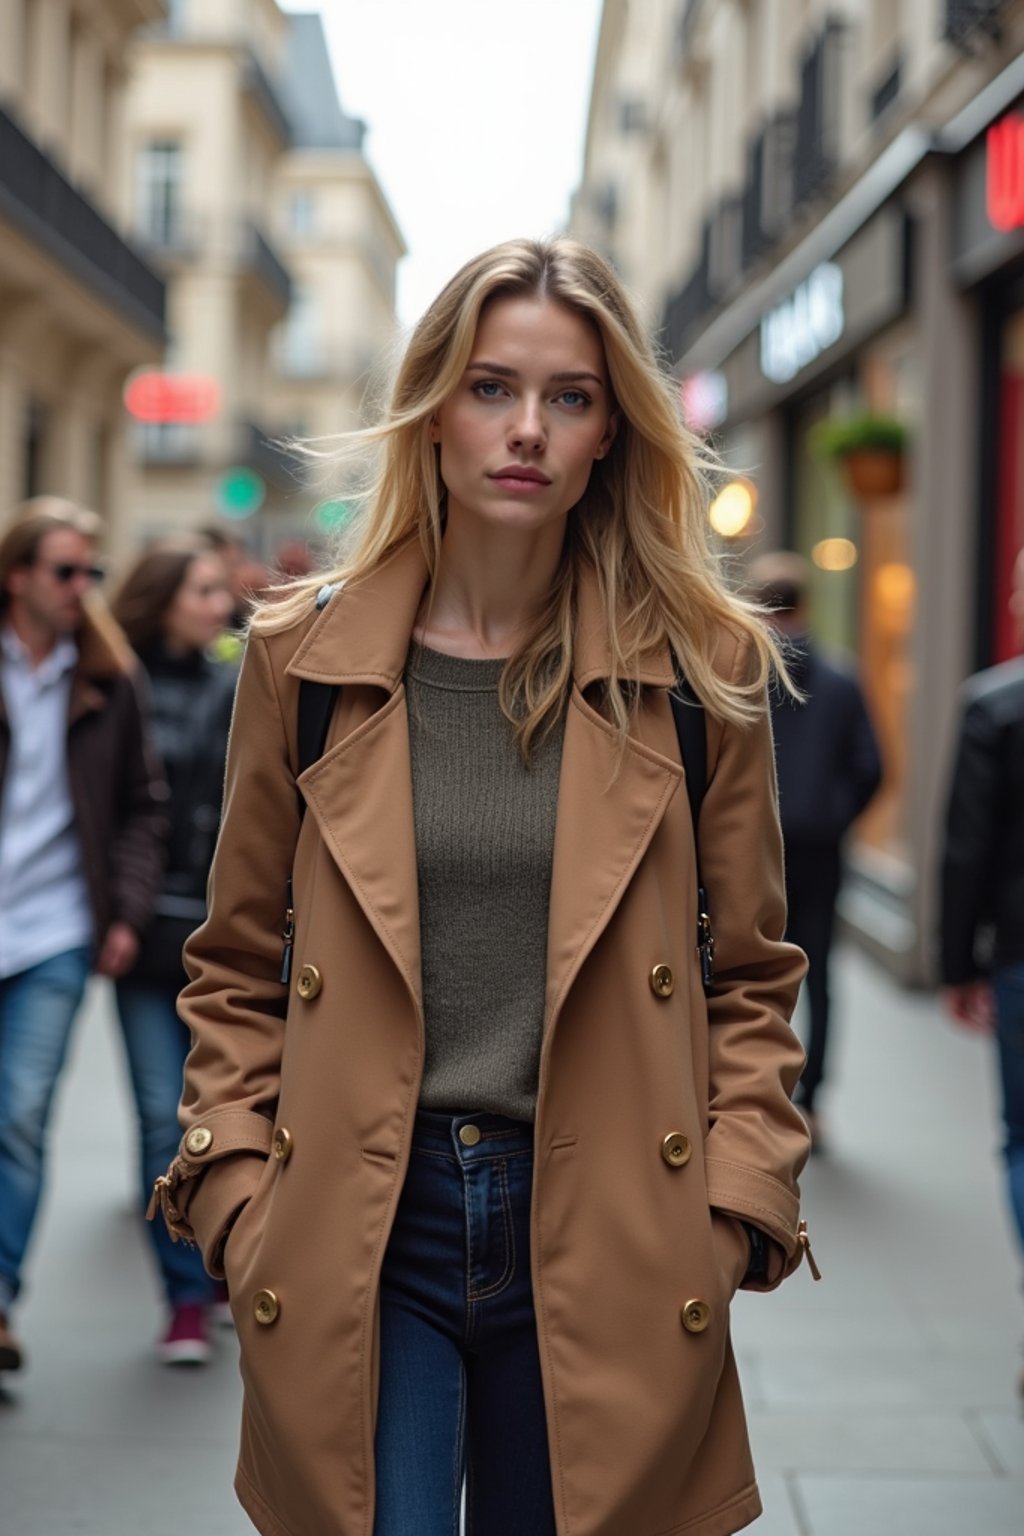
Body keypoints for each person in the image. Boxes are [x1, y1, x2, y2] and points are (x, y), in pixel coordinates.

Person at [152, 238, 817, 1536]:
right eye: (490, 387)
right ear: (434, 409)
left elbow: (752, 975)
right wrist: (234, 1192)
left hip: (614, 1219)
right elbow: (234, 962)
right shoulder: (304, 659)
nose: (527, 430)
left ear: (614, 432)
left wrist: (736, 1203)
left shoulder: (699, 669)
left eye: (569, 397)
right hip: (361, 1217)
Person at [0, 498, 165, 1376]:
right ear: (18, 575)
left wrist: (124, 913)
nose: (82, 588)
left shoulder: (108, 674)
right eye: (65, 571)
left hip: (54, 932)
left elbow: (144, 807)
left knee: (20, 1116)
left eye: (92, 572)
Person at [111, 537, 236, 1365]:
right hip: (149, 935)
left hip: (227, 939)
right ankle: (185, 1299)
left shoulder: (242, 682)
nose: (221, 605)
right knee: (163, 1114)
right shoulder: (117, 687)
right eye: (203, 590)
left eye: (223, 590)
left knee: (225, 1114)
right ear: (162, 598)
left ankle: (222, 1257)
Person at [747, 552, 883, 1149]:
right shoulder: (841, 679)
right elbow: (872, 767)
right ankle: (814, 1099)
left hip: (749, 852)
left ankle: (753, 1094)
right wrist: (832, 816)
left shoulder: (737, 674)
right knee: (819, 970)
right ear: (805, 605)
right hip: (819, 851)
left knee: (745, 969)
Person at [939, 548, 1024, 1392]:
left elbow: (965, 849)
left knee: (1023, 1136)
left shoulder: (995, 705)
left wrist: (957, 963)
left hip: (1020, 957)